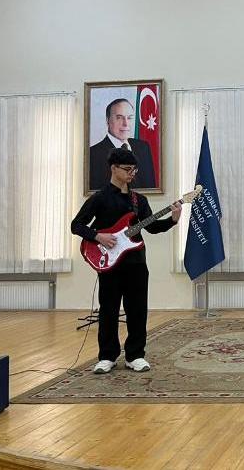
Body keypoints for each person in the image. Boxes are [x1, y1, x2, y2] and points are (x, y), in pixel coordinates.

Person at [71, 148, 181, 374]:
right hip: (109, 265)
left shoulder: (139, 200)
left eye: (134, 170)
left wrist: (172, 220)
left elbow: (151, 227)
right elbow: (76, 225)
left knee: (138, 310)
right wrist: (98, 236)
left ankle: (135, 355)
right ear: (114, 168)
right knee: (108, 311)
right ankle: (107, 356)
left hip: (136, 264)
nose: (132, 173)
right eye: (128, 169)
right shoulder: (99, 198)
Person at [89, 98, 157, 190]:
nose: (125, 124)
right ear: (107, 120)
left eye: (129, 118)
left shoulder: (143, 147)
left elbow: (151, 187)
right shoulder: (93, 154)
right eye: (119, 117)